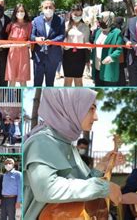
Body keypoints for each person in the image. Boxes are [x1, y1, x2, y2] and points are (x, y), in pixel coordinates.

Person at [23, 88, 123, 219]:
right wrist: (104, 188)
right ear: (69, 107)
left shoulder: (66, 143)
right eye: (91, 109)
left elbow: (80, 185)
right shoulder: (41, 141)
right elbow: (46, 189)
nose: (96, 117)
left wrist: (101, 167)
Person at [31, 0, 66, 86]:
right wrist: (36, 39)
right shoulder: (36, 20)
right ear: (42, 9)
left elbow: (62, 36)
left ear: (54, 8)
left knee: (50, 83)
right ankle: (36, 98)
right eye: (46, 7)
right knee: (37, 83)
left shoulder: (60, 20)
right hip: (38, 56)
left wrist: (52, 41)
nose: (48, 9)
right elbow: (31, 35)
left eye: (50, 7)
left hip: (53, 57)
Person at [91, 11, 124, 86]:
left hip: (109, 67)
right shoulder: (98, 31)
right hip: (97, 66)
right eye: (99, 19)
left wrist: (111, 57)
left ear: (109, 20)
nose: (99, 21)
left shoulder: (116, 32)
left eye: (102, 19)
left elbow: (119, 49)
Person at [4, 3, 32, 87]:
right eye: (18, 11)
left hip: (24, 53)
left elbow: (31, 40)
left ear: (25, 12)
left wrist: (29, 44)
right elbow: (7, 40)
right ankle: (10, 99)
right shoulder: (11, 25)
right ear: (15, 13)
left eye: (22, 11)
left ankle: (24, 98)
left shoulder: (29, 25)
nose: (20, 13)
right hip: (12, 53)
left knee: (22, 80)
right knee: (12, 79)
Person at [63, 4, 91, 87]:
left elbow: (86, 41)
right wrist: (64, 44)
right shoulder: (66, 25)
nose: (77, 17)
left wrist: (88, 45)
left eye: (80, 15)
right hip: (67, 54)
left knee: (78, 80)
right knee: (67, 80)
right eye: (76, 15)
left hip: (80, 55)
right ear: (71, 14)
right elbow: (62, 39)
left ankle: (79, 97)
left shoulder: (85, 27)